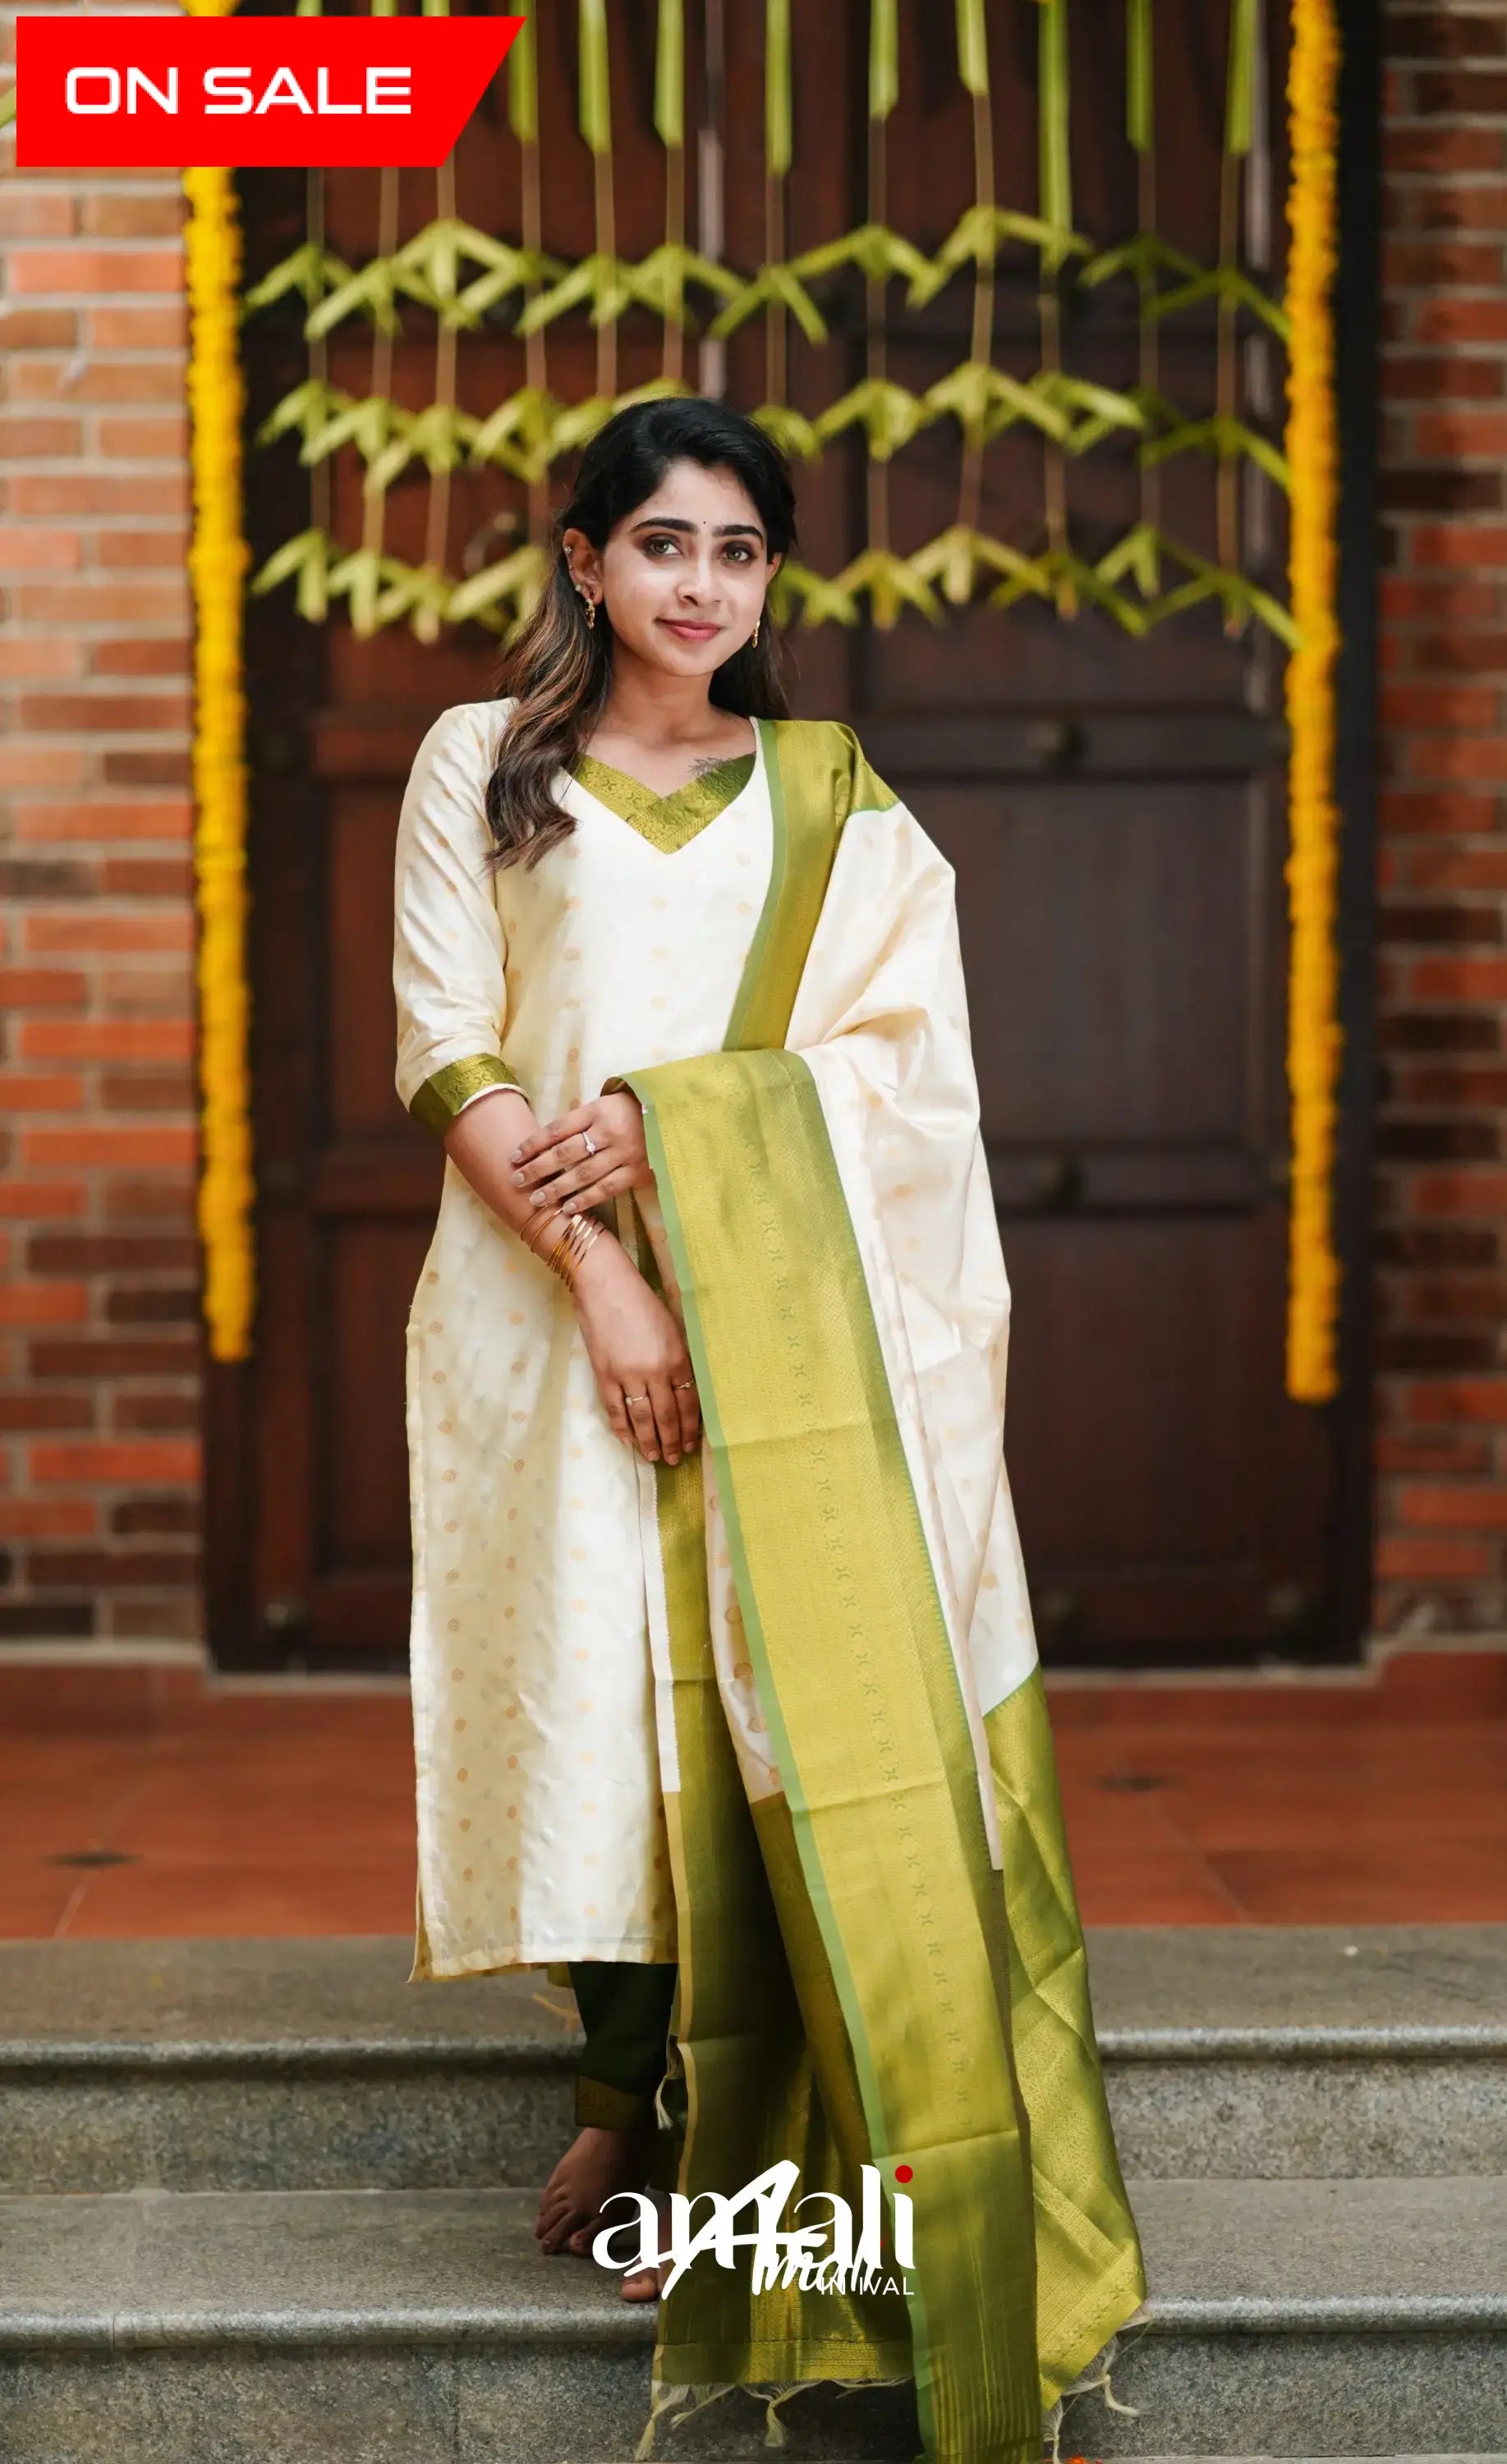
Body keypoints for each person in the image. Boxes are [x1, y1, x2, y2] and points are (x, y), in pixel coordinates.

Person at [393, 396, 1145, 2464]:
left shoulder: (834, 798)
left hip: (798, 1339)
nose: (699, 586)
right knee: (600, 1710)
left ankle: (738, 2159)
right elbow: (449, 1045)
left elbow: (908, 1069)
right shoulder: (484, 763)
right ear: (584, 561)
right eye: (662, 545)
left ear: (769, 579)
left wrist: (680, 1137)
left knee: (770, 1719)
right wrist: (612, 1278)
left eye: (737, 551)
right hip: (549, 1314)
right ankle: (622, 2105)